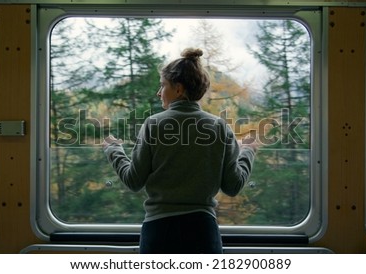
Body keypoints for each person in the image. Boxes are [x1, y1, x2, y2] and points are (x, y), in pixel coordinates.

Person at [103, 48, 258, 254]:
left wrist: (114, 149)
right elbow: (233, 186)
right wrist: (248, 150)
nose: (159, 93)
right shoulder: (219, 127)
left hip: (159, 232)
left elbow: (133, 181)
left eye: (163, 86)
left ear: (178, 89)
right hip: (203, 233)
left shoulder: (154, 124)